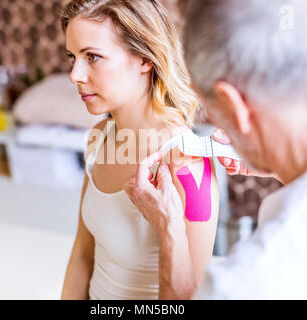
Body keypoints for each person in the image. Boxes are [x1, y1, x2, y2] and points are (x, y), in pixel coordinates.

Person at [124, 0, 307, 299]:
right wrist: (281, 166)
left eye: (213, 113)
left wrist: (170, 229)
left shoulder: (253, 279)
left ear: (232, 105)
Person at [60, 0, 219, 300]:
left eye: (92, 57)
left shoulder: (188, 164)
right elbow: (82, 253)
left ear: (144, 58)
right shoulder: (99, 139)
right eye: (73, 57)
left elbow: (190, 298)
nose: (75, 75)